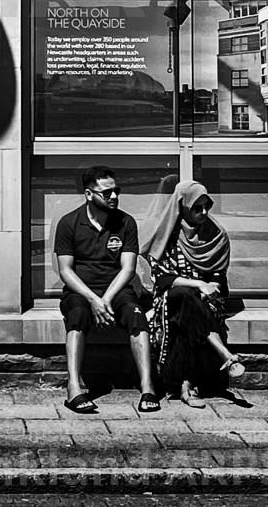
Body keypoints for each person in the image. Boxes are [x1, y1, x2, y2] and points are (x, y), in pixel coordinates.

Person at [53, 165, 161, 415]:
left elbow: (128, 268)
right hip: (81, 290)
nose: (114, 197)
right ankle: (74, 388)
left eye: (116, 191)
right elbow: (65, 271)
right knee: (77, 315)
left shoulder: (125, 222)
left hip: (116, 289)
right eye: (106, 192)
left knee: (136, 314)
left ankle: (148, 386)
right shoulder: (69, 223)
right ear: (89, 194)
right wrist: (93, 299)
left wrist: (106, 299)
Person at [138, 179, 245, 407]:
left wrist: (210, 290)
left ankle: (185, 386)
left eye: (207, 207)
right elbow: (163, 279)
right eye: (197, 207)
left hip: (207, 303)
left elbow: (219, 279)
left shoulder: (217, 235)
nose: (204, 212)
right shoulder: (167, 235)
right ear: (183, 207)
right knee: (182, 296)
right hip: (169, 299)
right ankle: (223, 354)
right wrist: (198, 285)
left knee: (186, 309)